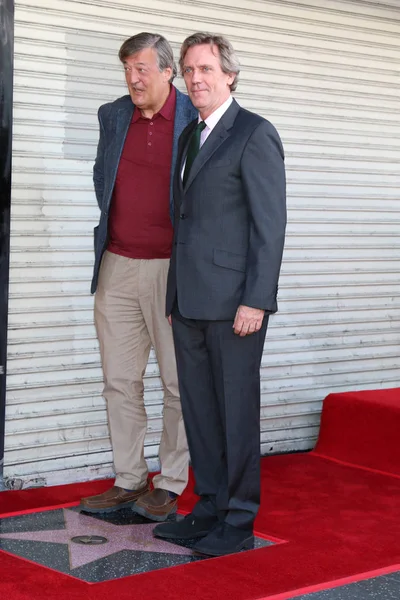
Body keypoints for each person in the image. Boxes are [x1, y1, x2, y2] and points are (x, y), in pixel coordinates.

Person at [153, 32, 286, 554]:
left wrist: (256, 300)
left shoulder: (255, 133)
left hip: (236, 306)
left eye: (205, 69)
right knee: (201, 412)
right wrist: (173, 295)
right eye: (188, 70)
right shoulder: (191, 135)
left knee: (235, 414)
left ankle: (239, 520)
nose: (195, 79)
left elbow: (269, 226)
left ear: (229, 75)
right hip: (188, 303)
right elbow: (182, 222)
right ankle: (208, 506)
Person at [80, 32, 197, 521]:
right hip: (117, 265)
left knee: (177, 384)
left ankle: (169, 483)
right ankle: (129, 479)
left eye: (143, 68)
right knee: (119, 381)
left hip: (174, 270)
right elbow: (101, 174)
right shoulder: (113, 115)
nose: (133, 78)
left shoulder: (196, 116)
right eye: (127, 68)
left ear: (169, 71)